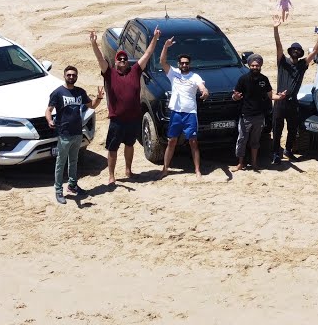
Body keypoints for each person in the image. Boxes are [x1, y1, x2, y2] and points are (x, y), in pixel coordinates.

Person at [90, 27, 161, 184]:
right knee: (113, 148)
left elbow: (147, 54)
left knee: (130, 145)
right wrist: (94, 44)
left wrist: (155, 38)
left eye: (124, 59)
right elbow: (100, 59)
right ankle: (111, 176)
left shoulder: (135, 71)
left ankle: (128, 170)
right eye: (119, 59)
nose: (122, 61)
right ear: (115, 62)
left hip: (133, 118)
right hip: (117, 120)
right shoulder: (110, 73)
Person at [270, 16, 318, 165]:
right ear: (290, 51)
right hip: (280, 101)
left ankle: (288, 150)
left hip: (292, 102)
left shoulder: (302, 65)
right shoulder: (282, 62)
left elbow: (316, 50)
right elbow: (278, 45)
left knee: (293, 128)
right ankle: (275, 153)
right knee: (277, 129)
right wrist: (276, 28)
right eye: (293, 49)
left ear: (300, 53)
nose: (295, 51)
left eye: (298, 50)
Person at [46, 66, 101, 204]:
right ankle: (58, 190)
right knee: (61, 162)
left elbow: (91, 106)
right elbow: (48, 110)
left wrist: (99, 98)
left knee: (73, 161)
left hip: (77, 132)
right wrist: (49, 120)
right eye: (69, 75)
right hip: (64, 133)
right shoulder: (58, 93)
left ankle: (72, 185)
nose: (71, 77)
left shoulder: (80, 92)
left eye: (73, 75)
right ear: (64, 75)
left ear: (76, 76)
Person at [160, 37, 210, 176]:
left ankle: (197, 169)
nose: (184, 65)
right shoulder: (173, 73)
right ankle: (165, 168)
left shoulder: (195, 76)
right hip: (176, 112)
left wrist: (204, 91)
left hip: (190, 113)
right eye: (182, 63)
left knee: (193, 142)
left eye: (186, 63)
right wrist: (165, 46)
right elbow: (162, 62)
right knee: (171, 141)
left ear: (189, 64)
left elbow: (202, 87)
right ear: (178, 64)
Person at [231, 54, 282, 171]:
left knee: (255, 141)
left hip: (259, 116)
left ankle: (254, 163)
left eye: (257, 65)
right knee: (242, 140)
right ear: (249, 66)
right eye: (253, 65)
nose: (255, 67)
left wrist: (280, 97)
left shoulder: (264, 79)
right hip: (246, 116)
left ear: (260, 66)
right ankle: (240, 163)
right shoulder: (243, 79)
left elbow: (270, 96)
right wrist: (236, 97)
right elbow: (234, 96)